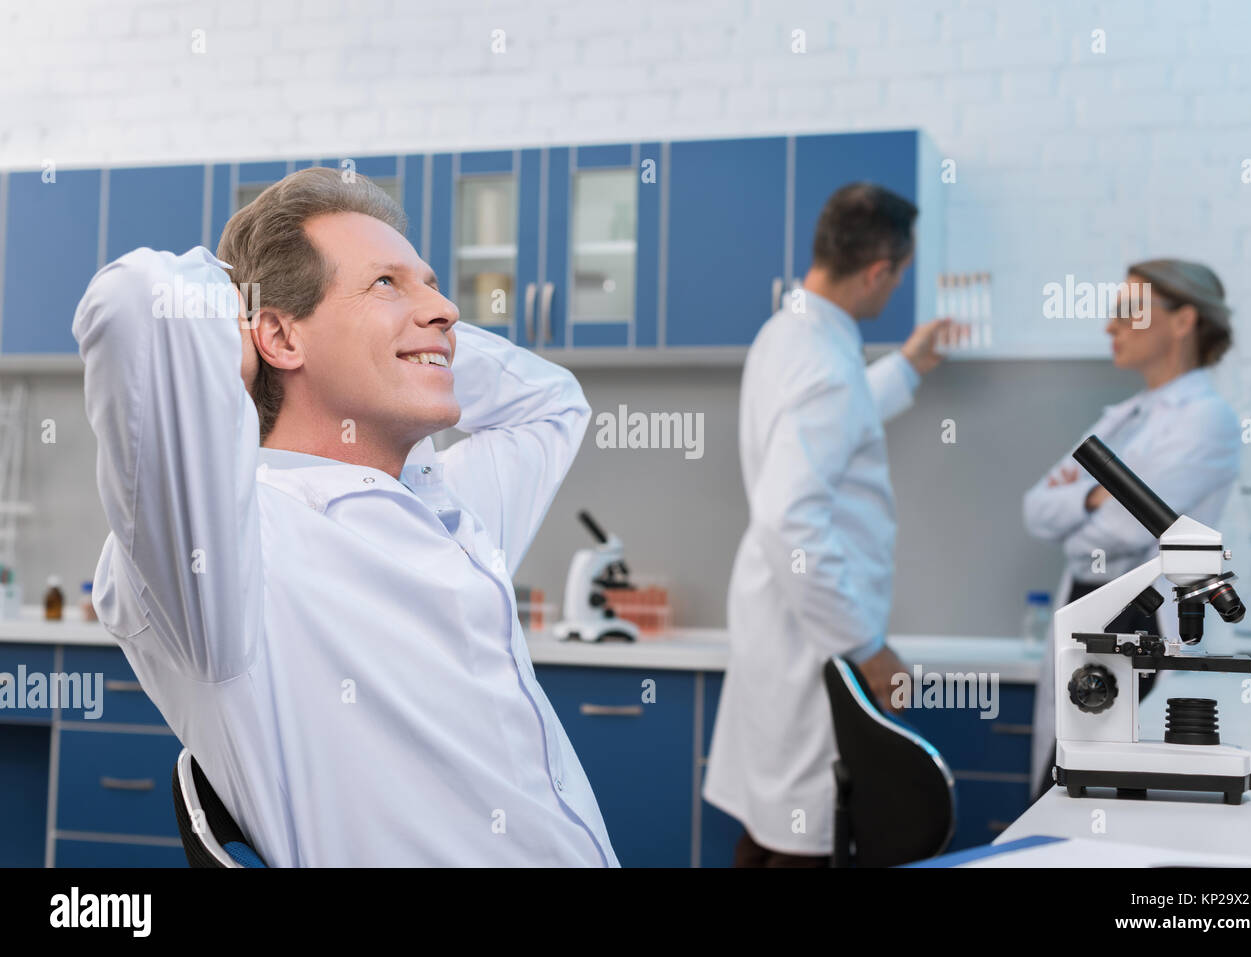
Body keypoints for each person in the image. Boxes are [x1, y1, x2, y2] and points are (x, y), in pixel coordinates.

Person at [72, 167, 617, 866]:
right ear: (275, 335)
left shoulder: (441, 500)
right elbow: (133, 302)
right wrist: (265, 331)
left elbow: (554, 403)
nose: (448, 306)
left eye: (430, 281)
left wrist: (417, 339)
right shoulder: (234, 550)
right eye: (386, 282)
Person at [703, 182, 957, 867]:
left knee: (772, 825)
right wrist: (867, 646)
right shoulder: (826, 363)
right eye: (899, 274)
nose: (894, 286)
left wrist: (904, 368)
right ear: (879, 270)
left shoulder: (789, 331)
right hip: (816, 638)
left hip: (779, 623)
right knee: (807, 837)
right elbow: (792, 518)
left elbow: (826, 426)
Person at [1023, 259, 1241, 800]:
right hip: (1087, 607)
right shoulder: (1120, 418)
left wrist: (1088, 505)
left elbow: (1113, 532)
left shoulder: (1206, 419)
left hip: (1141, 622)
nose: (1110, 327)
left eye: (1127, 312)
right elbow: (1035, 508)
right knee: (1062, 783)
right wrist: (1097, 495)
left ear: (1183, 320)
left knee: (1103, 791)